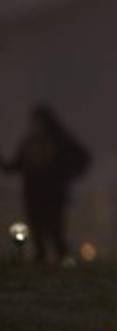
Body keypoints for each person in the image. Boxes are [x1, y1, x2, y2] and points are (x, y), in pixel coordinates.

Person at [1, 105, 91, 264]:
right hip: (33, 194)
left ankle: (62, 261)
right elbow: (15, 166)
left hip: (54, 194)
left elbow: (82, 157)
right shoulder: (29, 144)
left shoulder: (60, 142)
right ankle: (41, 260)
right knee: (37, 230)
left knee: (55, 230)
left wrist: (68, 174)